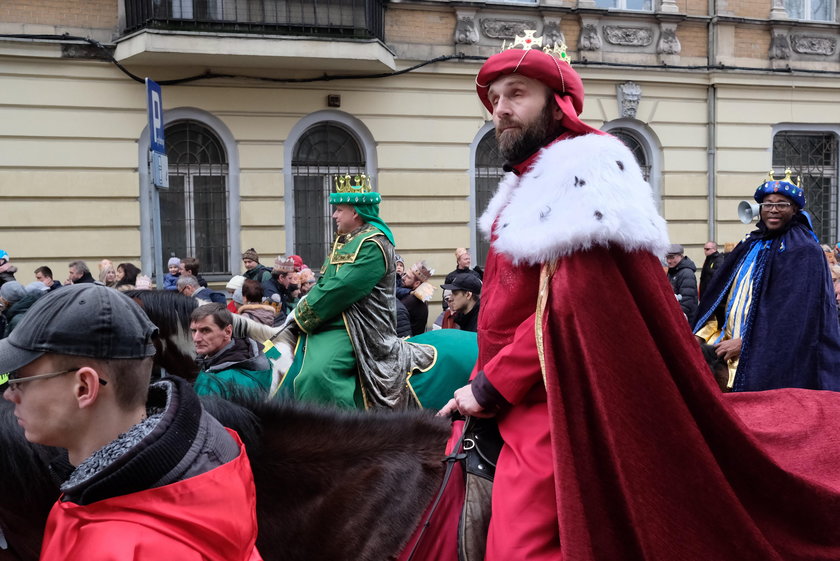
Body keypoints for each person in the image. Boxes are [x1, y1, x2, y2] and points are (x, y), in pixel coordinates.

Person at [438, 36, 840, 561]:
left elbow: (569, 309)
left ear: (557, 104)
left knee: (519, 549)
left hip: (556, 399)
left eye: (516, 93)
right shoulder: (527, 183)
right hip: (507, 389)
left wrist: (491, 387)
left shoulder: (581, 177)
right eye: (494, 99)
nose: (501, 110)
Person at [0, 284, 262, 560]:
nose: (9, 393)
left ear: (84, 387)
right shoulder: (206, 462)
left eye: (19, 378)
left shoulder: (115, 549)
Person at [277, 175, 435, 409]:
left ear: (356, 212)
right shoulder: (345, 240)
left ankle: (342, 436)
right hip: (333, 316)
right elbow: (326, 282)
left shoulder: (373, 244)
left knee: (318, 375)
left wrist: (301, 314)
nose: (334, 215)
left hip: (359, 325)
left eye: (339, 209)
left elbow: (342, 289)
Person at [695, 171, 840, 391]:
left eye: (782, 204)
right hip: (723, 345)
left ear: (794, 208)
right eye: (767, 204)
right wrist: (702, 334)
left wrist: (747, 344)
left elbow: (797, 318)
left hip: (766, 359)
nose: (773, 209)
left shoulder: (804, 250)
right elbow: (720, 298)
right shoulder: (750, 244)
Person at [190, 303, 272, 398]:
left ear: (227, 332)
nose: (196, 339)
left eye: (205, 330)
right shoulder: (247, 357)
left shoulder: (228, 382)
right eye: (194, 331)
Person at [665, 243, 698, 326]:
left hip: (685, 319)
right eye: (667, 257)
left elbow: (687, 299)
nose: (669, 261)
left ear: (680, 256)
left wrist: (679, 317)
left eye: (672, 257)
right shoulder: (673, 271)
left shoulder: (686, 273)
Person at [400, 260, 435, 336]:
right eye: (404, 274)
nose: (403, 278)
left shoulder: (412, 299)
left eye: (408, 277)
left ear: (417, 283)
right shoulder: (417, 296)